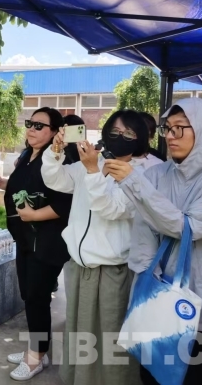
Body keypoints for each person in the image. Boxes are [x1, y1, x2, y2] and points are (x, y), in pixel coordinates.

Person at [108, 98, 202, 384]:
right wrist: (151, 284)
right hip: (159, 302)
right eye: (167, 128)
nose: (171, 136)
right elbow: (144, 233)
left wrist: (135, 184)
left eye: (180, 128)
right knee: (152, 377)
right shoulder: (156, 174)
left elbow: (189, 227)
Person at [42, 109, 159, 385]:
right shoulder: (93, 161)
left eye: (129, 133)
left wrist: (93, 171)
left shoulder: (143, 173)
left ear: (141, 138)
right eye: (115, 131)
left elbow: (113, 209)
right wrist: (56, 150)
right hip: (80, 267)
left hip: (112, 270)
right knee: (80, 334)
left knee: (110, 339)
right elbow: (55, 180)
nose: (120, 137)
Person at [0, 107, 73, 382]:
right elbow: (24, 188)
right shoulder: (27, 155)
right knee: (30, 296)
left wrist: (34, 216)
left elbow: (65, 203)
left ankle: (36, 356)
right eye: (30, 123)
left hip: (47, 241)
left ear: (55, 132)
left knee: (37, 297)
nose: (31, 129)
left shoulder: (59, 159)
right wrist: (2, 183)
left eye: (39, 126)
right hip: (25, 238)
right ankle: (38, 349)